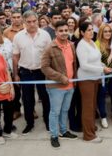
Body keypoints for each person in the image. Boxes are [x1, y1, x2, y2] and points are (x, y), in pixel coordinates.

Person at [12, 10, 51, 135]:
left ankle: (47, 121)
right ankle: (29, 123)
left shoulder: (45, 35)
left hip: (42, 71)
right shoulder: (18, 37)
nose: (32, 24)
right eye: (28, 22)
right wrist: (15, 74)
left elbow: (50, 55)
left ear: (38, 20)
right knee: (27, 99)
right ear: (24, 22)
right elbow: (15, 57)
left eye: (34, 21)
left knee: (45, 97)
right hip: (25, 72)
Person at [41, 20, 78, 148]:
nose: (63, 33)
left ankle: (63, 131)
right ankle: (54, 135)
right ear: (55, 32)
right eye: (60, 31)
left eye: (65, 30)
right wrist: (60, 77)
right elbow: (44, 67)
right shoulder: (50, 48)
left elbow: (74, 64)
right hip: (56, 87)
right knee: (55, 112)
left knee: (65, 110)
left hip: (70, 85)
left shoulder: (71, 45)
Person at [76, 21, 112, 143]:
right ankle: (88, 135)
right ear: (82, 32)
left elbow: (96, 60)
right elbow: (84, 65)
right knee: (88, 107)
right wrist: (102, 69)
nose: (91, 32)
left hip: (95, 78)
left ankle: (91, 128)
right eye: (88, 30)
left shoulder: (92, 42)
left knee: (92, 107)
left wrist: (104, 66)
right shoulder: (81, 45)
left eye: (92, 29)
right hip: (86, 79)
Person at [95, 23, 112, 128]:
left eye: (109, 31)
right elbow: (95, 61)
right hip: (102, 75)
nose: (108, 33)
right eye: (105, 31)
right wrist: (103, 69)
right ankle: (103, 116)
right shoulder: (96, 44)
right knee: (101, 96)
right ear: (101, 32)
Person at [3, 9, 24, 121]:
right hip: (13, 64)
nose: (16, 19)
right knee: (15, 89)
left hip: (25, 63)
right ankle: (16, 110)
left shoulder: (27, 29)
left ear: (21, 18)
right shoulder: (6, 32)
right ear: (10, 19)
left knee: (27, 89)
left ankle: (32, 109)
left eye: (18, 17)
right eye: (14, 17)